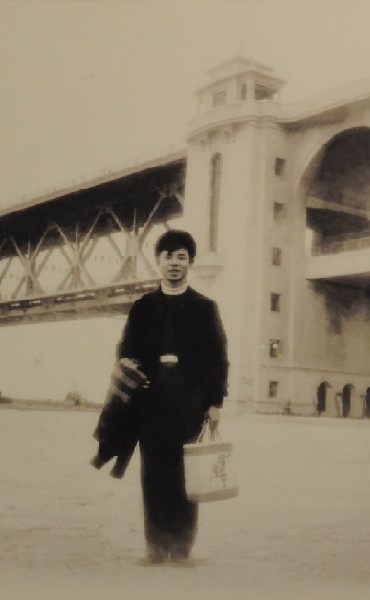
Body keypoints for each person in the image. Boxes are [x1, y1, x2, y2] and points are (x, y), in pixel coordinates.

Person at [116, 229, 229, 565]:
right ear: (158, 261)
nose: (174, 263)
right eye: (168, 256)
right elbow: (125, 350)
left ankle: (181, 547)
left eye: (181, 257)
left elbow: (218, 358)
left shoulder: (205, 308)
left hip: (190, 401)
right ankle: (155, 546)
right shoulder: (142, 307)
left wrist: (215, 403)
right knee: (153, 473)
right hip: (150, 402)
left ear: (190, 262)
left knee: (186, 473)